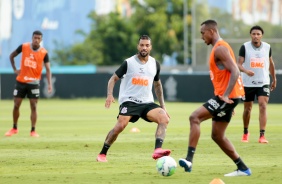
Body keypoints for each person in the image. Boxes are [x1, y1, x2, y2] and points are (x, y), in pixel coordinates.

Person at [178, 20, 251, 177]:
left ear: (211, 31)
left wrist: (226, 96)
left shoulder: (220, 49)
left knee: (194, 117)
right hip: (230, 96)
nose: (202, 36)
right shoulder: (220, 48)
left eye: (203, 33)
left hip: (227, 96)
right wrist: (230, 102)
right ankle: (243, 168)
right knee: (217, 135)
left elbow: (236, 72)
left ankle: (189, 159)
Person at [96, 35, 170, 162]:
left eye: (147, 45)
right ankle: (102, 154)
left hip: (147, 102)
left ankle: (157, 150)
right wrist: (109, 94)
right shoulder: (128, 63)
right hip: (129, 101)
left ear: (150, 47)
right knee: (120, 126)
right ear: (138, 46)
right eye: (142, 45)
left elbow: (157, 85)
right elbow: (113, 79)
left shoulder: (155, 64)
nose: (144, 47)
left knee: (164, 118)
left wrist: (162, 106)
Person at [5, 30, 52, 137]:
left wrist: (50, 84)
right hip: (21, 81)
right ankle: (14, 128)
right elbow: (12, 55)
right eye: (35, 38)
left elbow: (48, 69)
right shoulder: (24, 47)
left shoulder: (44, 53)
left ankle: (33, 130)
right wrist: (15, 69)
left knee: (34, 106)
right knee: (16, 105)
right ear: (32, 38)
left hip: (34, 83)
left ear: (41, 40)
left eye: (38, 38)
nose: (36, 40)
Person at [237, 25, 277, 144]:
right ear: (251, 35)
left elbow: (270, 63)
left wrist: (274, 78)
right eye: (254, 34)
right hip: (248, 83)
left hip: (263, 82)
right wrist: (246, 71)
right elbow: (238, 64)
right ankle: (245, 132)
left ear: (261, 36)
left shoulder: (267, 47)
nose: (256, 36)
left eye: (258, 34)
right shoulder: (244, 47)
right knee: (247, 109)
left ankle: (262, 136)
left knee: (263, 105)